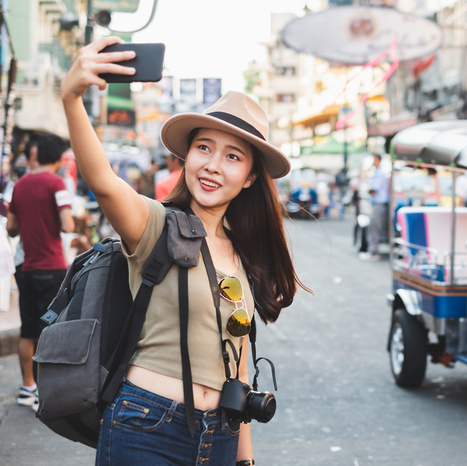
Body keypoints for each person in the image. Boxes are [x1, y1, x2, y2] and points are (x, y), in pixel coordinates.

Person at [61, 37, 308, 464]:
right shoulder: (155, 224)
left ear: (250, 177)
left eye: (233, 156)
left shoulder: (241, 252)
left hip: (221, 435)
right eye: (204, 148)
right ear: (187, 156)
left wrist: (245, 458)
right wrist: (71, 98)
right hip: (146, 426)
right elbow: (103, 181)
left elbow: (239, 364)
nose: (213, 165)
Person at [5, 134, 75, 412]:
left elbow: (11, 228)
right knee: (51, 330)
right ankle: (45, 391)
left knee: (28, 328)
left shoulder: (19, 185)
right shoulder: (57, 183)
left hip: (25, 267)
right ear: (58, 159)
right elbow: (67, 225)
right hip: (52, 265)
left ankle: (26, 387)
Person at [360, 153, 389, 261]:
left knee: (374, 228)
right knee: (373, 228)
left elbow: (373, 189)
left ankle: (373, 251)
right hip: (377, 204)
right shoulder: (377, 172)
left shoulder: (380, 173)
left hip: (379, 204)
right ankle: (373, 250)